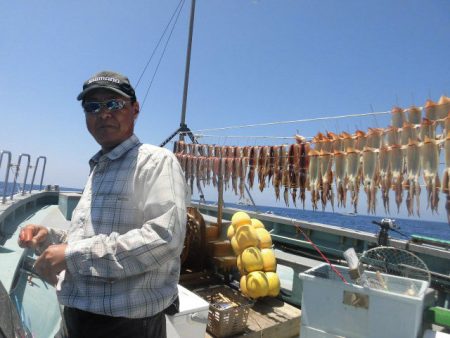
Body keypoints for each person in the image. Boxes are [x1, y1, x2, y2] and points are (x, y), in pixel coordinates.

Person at [19, 70, 189, 338]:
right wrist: (50, 238)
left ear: (135, 110)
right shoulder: (98, 168)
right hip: (76, 316)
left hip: (126, 326)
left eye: (114, 103)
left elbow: (164, 238)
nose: (103, 113)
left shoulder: (157, 162)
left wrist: (71, 255)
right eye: (92, 106)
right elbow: (90, 237)